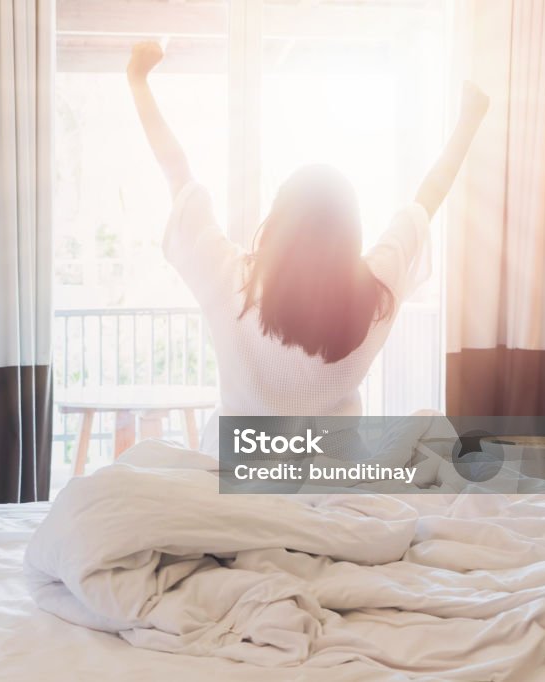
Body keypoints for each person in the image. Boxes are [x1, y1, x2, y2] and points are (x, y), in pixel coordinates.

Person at [125, 41, 489, 454]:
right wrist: (468, 122)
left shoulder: (230, 281)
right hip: (334, 479)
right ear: (351, 232)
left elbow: (178, 173)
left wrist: (138, 81)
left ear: (277, 222)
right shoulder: (373, 293)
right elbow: (428, 198)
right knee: (429, 429)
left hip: (238, 475)